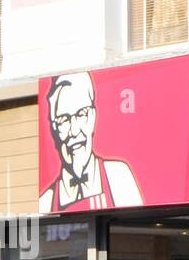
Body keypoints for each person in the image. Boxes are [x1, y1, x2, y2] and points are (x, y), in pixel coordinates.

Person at [38, 72, 142, 213]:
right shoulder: (45, 202)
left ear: (93, 117)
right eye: (64, 119)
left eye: (81, 114)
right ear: (55, 128)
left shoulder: (118, 177)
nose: (74, 131)